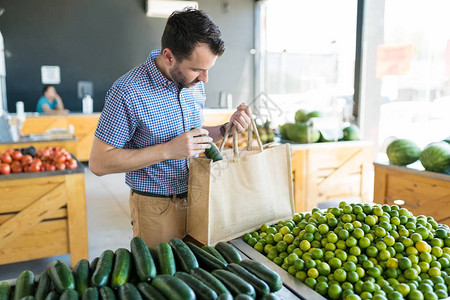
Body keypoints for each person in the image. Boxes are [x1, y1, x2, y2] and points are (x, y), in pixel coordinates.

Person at [89, 8, 252, 247]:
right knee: (164, 282)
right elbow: (99, 163)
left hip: (200, 198)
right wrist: (168, 150)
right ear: (168, 56)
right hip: (156, 209)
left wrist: (227, 128)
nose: (204, 79)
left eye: (209, 69)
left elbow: (193, 136)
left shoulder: (194, 83)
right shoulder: (127, 91)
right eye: (197, 69)